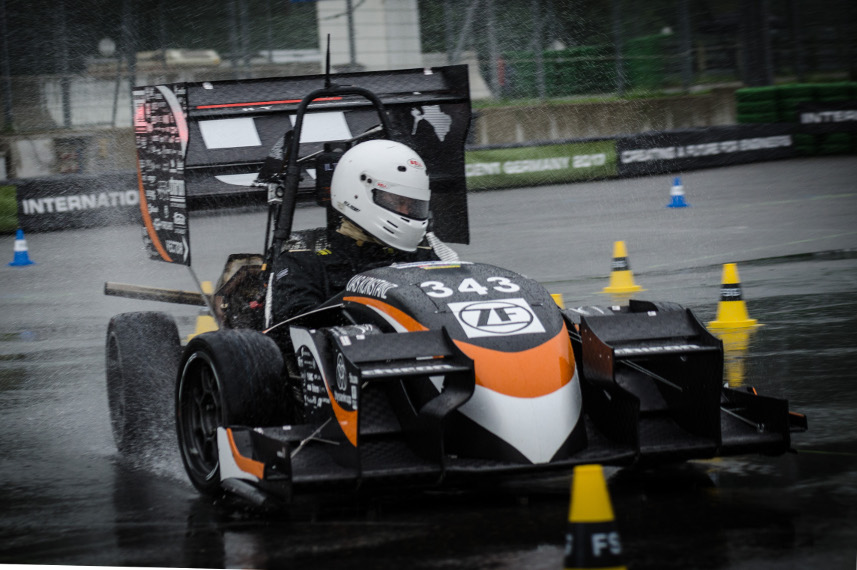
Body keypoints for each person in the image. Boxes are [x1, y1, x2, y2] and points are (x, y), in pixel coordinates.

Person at [270, 139, 441, 323]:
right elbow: (294, 330)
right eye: (398, 202)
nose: (407, 212)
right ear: (357, 194)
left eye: (414, 205)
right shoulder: (302, 256)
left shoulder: (422, 256)